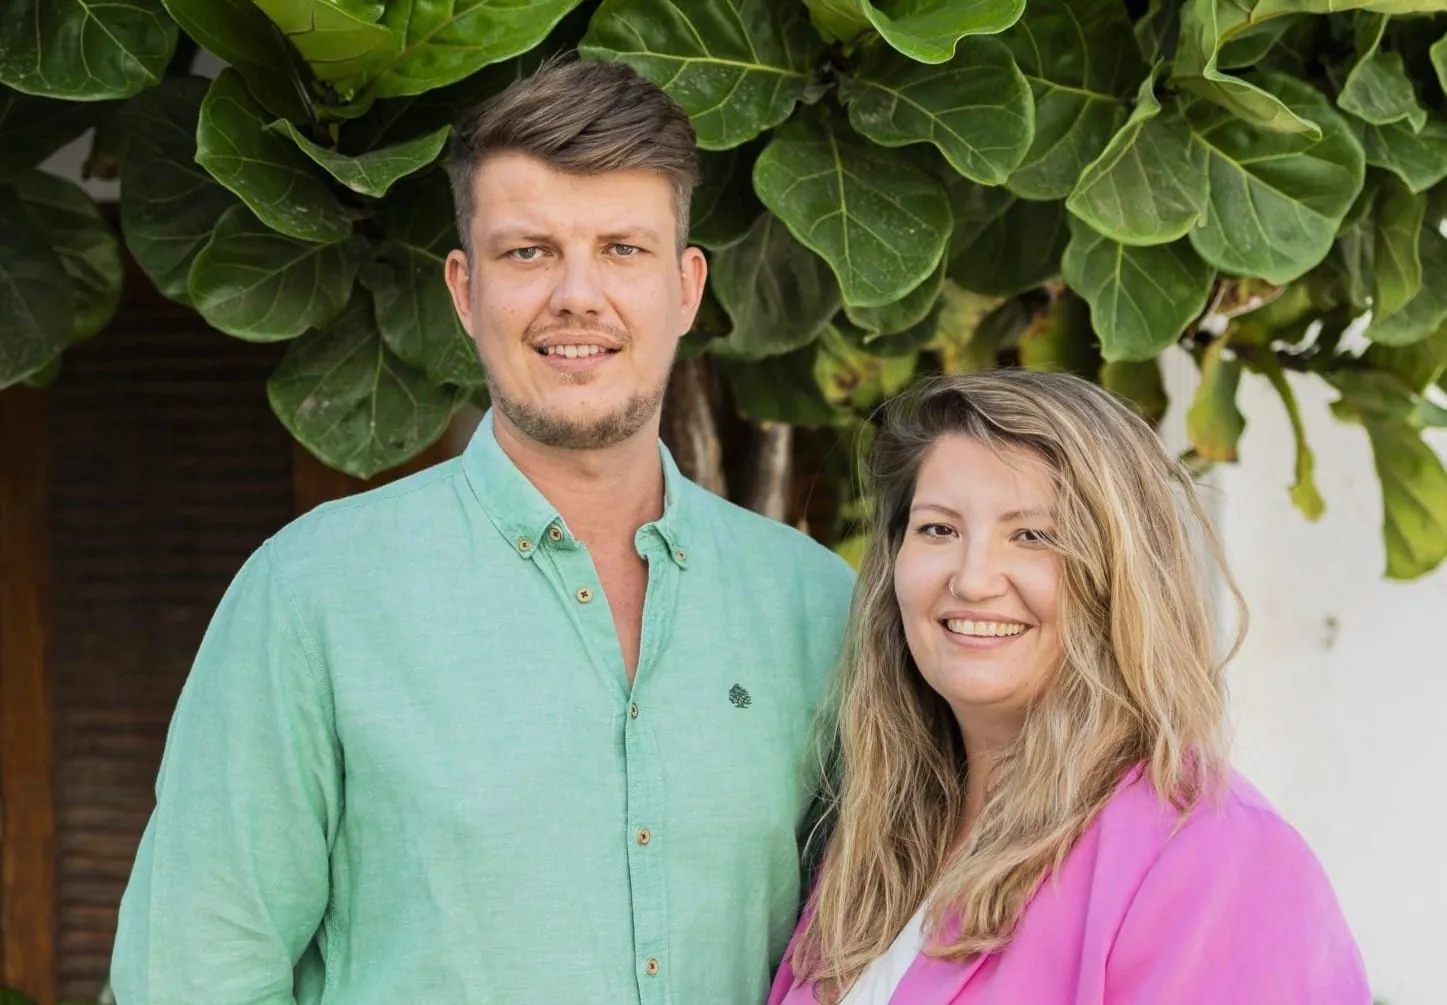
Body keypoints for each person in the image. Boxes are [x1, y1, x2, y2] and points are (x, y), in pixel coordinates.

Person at [111, 59, 854, 1005]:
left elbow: (875, 944)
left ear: (686, 287)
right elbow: (196, 976)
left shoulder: (815, 603)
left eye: (622, 248)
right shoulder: (311, 596)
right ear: (463, 290)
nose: (577, 296)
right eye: (528, 252)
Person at [769, 371, 1371, 1005]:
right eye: (939, 529)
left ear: (1121, 574)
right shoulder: (879, 851)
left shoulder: (1220, 862)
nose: (973, 580)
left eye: (1033, 535)